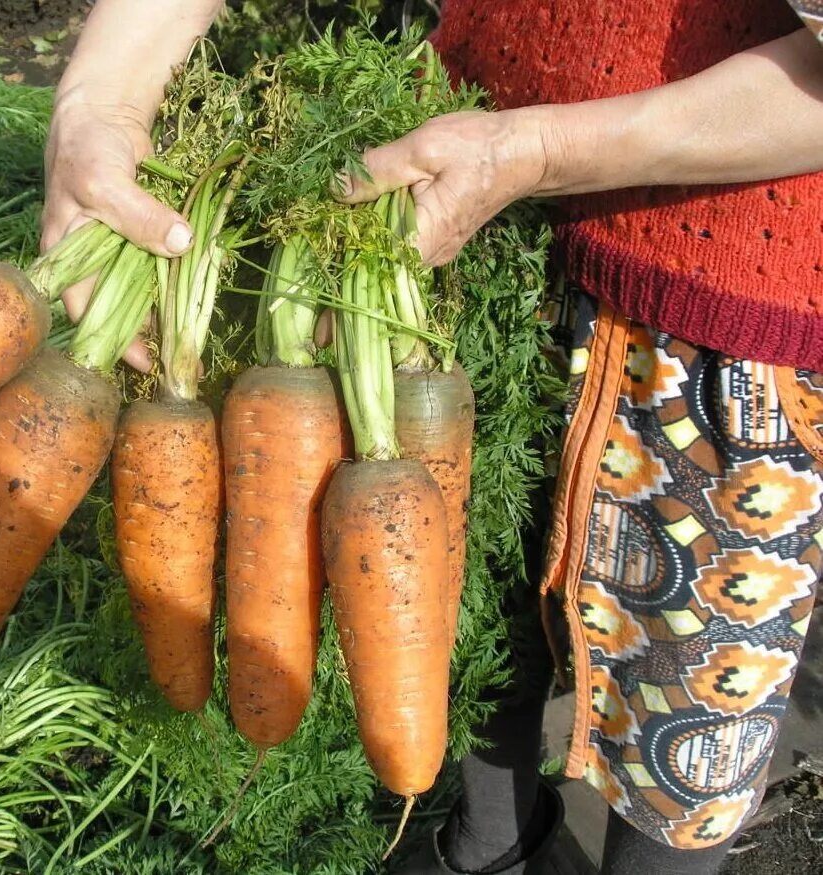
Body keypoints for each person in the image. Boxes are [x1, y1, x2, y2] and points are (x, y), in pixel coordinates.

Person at [41, 2, 823, 873]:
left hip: (719, 315)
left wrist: (539, 151)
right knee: (466, 604)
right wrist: (97, 102)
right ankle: (492, 842)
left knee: (685, 692)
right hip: (469, 221)